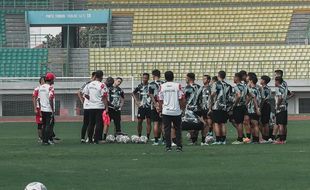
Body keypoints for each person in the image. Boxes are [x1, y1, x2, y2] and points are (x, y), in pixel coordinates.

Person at [158, 71, 185, 152]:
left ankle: (168, 147)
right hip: (176, 111)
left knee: (167, 129)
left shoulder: (162, 86)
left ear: (165, 78)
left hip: (166, 111)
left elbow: (160, 99)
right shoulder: (177, 85)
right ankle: (179, 146)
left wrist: (160, 109)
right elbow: (181, 98)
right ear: (173, 77)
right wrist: (181, 108)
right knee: (178, 129)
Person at [83, 70, 109, 144]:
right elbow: (104, 97)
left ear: (95, 76)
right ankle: (96, 139)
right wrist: (106, 107)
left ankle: (90, 139)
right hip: (99, 106)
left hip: (90, 107)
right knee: (99, 123)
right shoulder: (102, 85)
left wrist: (91, 100)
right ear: (101, 76)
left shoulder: (89, 84)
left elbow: (85, 94)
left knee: (91, 123)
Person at [209, 71, 230, 145]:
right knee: (223, 123)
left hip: (217, 106)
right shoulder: (228, 85)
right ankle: (223, 140)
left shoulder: (216, 84)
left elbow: (213, 94)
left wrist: (211, 100)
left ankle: (218, 140)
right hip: (224, 106)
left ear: (218, 76)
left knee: (216, 123)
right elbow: (229, 97)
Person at [184, 73, 202, 145]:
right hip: (198, 108)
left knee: (190, 124)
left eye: (186, 78)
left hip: (190, 108)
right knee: (196, 124)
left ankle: (193, 140)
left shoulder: (187, 88)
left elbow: (184, 99)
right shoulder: (199, 87)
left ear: (189, 78)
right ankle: (195, 140)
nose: (185, 79)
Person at [78, 71, 96, 143]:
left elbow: (79, 92)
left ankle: (84, 138)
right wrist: (83, 102)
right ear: (93, 76)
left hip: (88, 106)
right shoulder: (88, 83)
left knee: (87, 123)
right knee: (90, 123)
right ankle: (87, 138)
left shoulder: (88, 83)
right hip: (91, 106)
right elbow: (79, 92)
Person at [132, 73, 152, 139]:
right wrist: (137, 101)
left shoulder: (151, 86)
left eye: (146, 78)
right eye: (143, 78)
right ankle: (139, 136)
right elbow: (133, 93)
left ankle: (148, 137)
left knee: (148, 121)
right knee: (139, 121)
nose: (144, 79)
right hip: (141, 106)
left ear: (148, 78)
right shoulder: (139, 86)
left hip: (149, 106)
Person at [38, 72, 56, 145]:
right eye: (53, 79)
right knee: (48, 125)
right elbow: (51, 98)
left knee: (44, 125)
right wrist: (53, 110)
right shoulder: (50, 88)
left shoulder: (41, 87)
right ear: (51, 80)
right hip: (48, 109)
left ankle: (43, 140)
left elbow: (38, 99)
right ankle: (47, 140)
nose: (54, 81)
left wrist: (40, 108)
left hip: (42, 109)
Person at [148, 69, 165, 146]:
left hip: (154, 105)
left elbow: (151, 95)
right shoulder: (164, 83)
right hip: (163, 105)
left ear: (153, 75)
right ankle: (164, 140)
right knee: (162, 123)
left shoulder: (151, 84)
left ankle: (156, 141)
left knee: (155, 123)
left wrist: (155, 104)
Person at [231, 73, 247, 145]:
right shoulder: (244, 86)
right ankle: (242, 137)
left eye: (234, 77)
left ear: (237, 78)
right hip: (243, 106)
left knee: (239, 123)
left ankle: (240, 139)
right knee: (240, 122)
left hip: (238, 106)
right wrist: (246, 103)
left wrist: (235, 104)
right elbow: (250, 95)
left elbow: (239, 95)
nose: (233, 78)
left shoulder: (236, 87)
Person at [197, 74, 213, 145]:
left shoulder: (211, 88)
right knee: (204, 123)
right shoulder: (201, 88)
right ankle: (204, 138)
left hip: (209, 108)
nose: (203, 80)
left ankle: (209, 134)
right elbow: (198, 97)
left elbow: (212, 98)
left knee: (209, 121)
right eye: (203, 79)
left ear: (209, 80)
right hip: (202, 108)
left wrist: (210, 107)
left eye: (205, 79)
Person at [273, 77, 288, 144]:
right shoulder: (284, 88)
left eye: (275, 81)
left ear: (278, 81)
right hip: (284, 107)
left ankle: (281, 140)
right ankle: (283, 139)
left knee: (280, 124)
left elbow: (280, 97)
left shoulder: (278, 88)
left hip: (280, 108)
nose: (274, 83)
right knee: (283, 124)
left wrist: (278, 106)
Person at [247, 74, 261, 143]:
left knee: (255, 124)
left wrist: (257, 108)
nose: (248, 82)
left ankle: (256, 139)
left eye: (248, 80)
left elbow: (254, 99)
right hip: (252, 109)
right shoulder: (257, 89)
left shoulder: (252, 90)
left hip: (253, 109)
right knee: (253, 124)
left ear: (251, 81)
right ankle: (254, 139)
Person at [32, 76, 46, 142]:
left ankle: (46, 137)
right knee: (40, 123)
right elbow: (34, 98)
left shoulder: (47, 88)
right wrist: (35, 108)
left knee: (45, 123)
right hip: (39, 108)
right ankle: (40, 138)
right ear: (40, 81)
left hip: (45, 108)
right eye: (42, 80)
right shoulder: (37, 89)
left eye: (44, 80)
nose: (43, 81)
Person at [260, 75, 272, 142]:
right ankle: (265, 136)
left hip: (265, 105)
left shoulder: (264, 89)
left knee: (265, 122)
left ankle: (266, 137)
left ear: (264, 81)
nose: (260, 80)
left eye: (261, 79)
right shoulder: (267, 88)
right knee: (264, 122)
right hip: (266, 105)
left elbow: (263, 99)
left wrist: (260, 106)